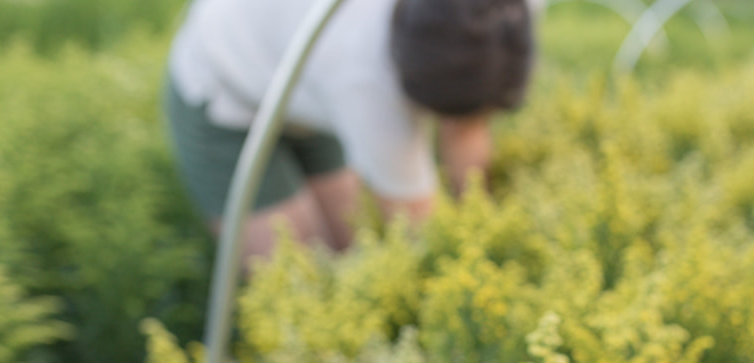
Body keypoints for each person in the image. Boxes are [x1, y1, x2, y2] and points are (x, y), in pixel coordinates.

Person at [164, 0, 538, 263]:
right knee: (300, 279)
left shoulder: (499, 15)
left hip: (306, 79)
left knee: (349, 246)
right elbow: (419, 230)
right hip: (225, 90)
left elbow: (467, 129)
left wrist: (482, 217)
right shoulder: (365, 82)